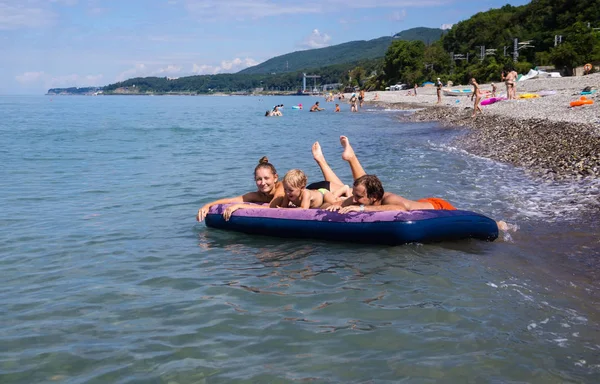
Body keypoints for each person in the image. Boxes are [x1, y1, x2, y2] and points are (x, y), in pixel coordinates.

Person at [320, 136, 511, 231]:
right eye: (356, 195)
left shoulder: (390, 199)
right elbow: (345, 203)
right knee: (363, 186)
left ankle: (498, 224)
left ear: (374, 198)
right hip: (420, 201)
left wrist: (361, 210)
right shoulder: (364, 198)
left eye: (359, 197)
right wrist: (335, 206)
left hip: (438, 207)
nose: (355, 199)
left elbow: (399, 210)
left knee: (470, 221)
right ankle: (352, 158)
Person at [197, 157, 285, 222]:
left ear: (275, 177)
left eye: (266, 178)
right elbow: (230, 200)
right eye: (259, 179)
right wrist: (207, 206)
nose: (263, 183)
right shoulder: (257, 195)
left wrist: (239, 206)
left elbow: (271, 207)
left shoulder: (281, 187)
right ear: (255, 180)